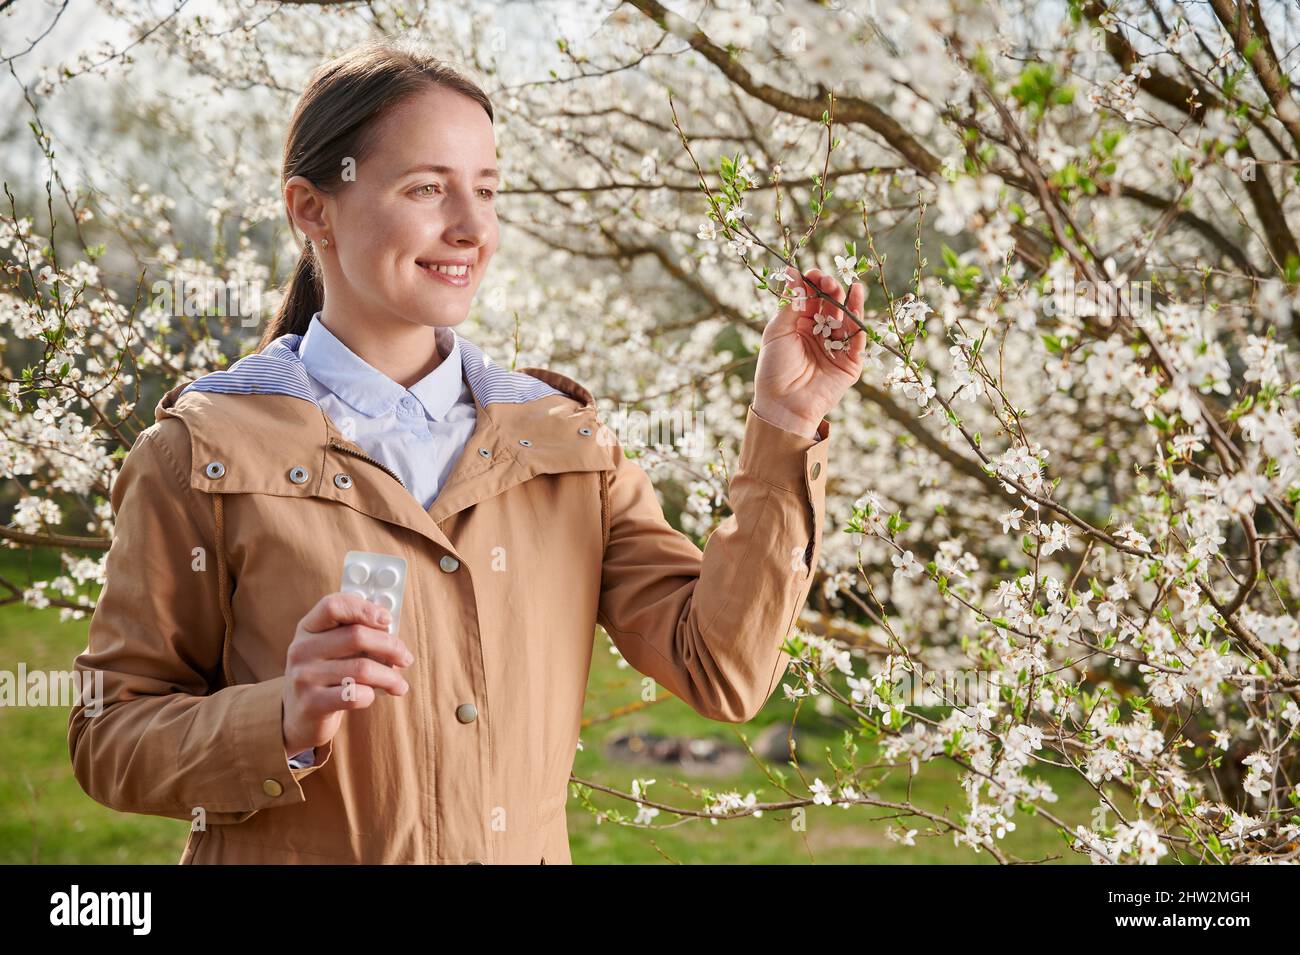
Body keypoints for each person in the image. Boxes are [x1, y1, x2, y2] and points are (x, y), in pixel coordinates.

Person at [67, 36, 865, 864]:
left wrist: (784, 421)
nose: (470, 227)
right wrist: (280, 716)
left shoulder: (568, 449)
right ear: (313, 208)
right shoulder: (200, 453)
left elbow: (722, 667)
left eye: (485, 190)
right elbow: (106, 731)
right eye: (426, 188)